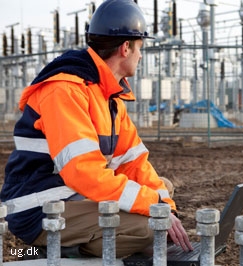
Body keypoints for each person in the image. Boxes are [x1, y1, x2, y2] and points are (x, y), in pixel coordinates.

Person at [0, 0, 193, 258]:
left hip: (73, 196)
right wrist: (155, 212)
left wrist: (165, 207)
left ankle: (84, 240)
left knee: (162, 190)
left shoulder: (109, 94)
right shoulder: (65, 90)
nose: (141, 55)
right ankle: (42, 252)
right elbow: (84, 172)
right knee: (148, 228)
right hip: (40, 207)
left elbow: (134, 163)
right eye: (140, 48)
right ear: (126, 48)